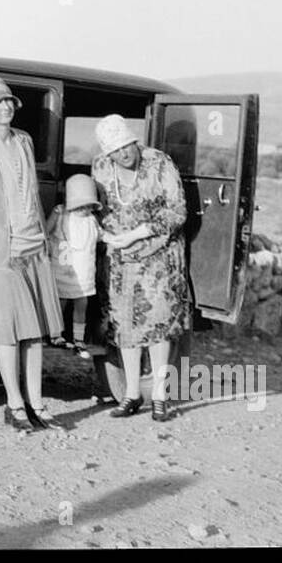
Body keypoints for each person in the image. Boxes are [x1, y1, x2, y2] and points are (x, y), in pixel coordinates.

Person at [0, 76, 66, 433]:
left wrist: (45, 240)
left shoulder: (25, 141)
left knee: (34, 333)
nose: (5, 107)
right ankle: (14, 404)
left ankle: (37, 403)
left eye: (8, 102)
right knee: (6, 333)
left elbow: (30, 196)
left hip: (33, 248)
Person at [91, 113, 191, 422]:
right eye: (116, 151)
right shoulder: (101, 167)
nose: (124, 154)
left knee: (159, 325)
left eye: (127, 146)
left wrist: (136, 234)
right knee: (125, 326)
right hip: (120, 259)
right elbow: (96, 206)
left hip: (157, 256)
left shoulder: (159, 163)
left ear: (134, 140)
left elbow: (177, 211)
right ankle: (131, 394)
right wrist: (104, 234)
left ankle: (159, 396)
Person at [46, 173, 101, 359]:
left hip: (84, 272)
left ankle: (79, 339)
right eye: (80, 205)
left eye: (88, 206)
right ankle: (55, 334)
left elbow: (101, 236)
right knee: (59, 302)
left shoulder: (91, 220)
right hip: (63, 269)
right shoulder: (61, 216)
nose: (84, 210)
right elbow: (46, 231)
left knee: (81, 304)